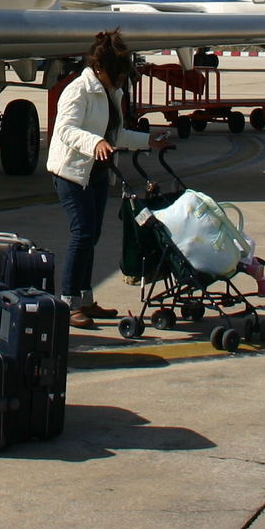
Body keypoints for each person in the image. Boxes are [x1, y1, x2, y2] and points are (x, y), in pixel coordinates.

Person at [49, 30, 169, 328]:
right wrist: (94, 144)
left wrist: (148, 140)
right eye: (117, 75)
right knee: (82, 235)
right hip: (72, 172)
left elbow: (115, 134)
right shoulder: (78, 90)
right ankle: (67, 303)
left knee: (94, 235)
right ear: (99, 69)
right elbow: (64, 130)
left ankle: (85, 301)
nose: (120, 82)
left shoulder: (111, 91)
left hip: (99, 172)